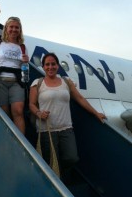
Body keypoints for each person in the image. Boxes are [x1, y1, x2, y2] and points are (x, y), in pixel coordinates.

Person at [29, 53, 106, 183]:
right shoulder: (38, 83)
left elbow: (80, 99)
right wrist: (38, 113)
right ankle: (57, 187)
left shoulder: (66, 82)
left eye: (53, 64)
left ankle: (62, 179)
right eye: (47, 64)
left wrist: (96, 113)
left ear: (57, 66)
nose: (50, 67)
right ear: (43, 67)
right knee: (51, 161)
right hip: (46, 130)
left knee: (72, 158)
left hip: (66, 128)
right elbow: (31, 104)